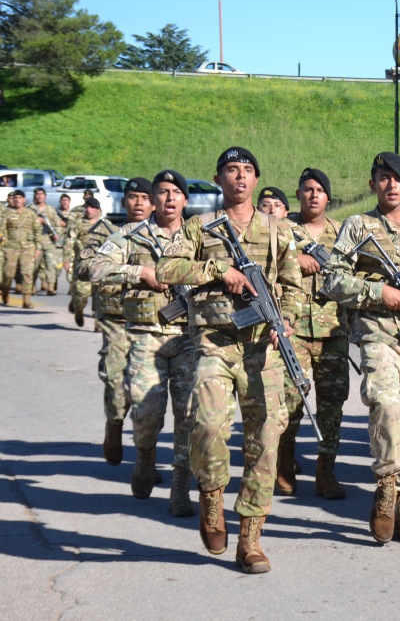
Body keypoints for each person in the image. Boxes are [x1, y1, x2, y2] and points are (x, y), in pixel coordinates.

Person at [156, 147, 304, 574]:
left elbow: (293, 284)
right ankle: (211, 496)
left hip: (264, 348)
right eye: (231, 170)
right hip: (214, 344)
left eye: (247, 171)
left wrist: (288, 320)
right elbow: (168, 269)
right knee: (205, 425)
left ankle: (251, 539)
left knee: (265, 444)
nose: (240, 177)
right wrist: (218, 271)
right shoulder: (199, 227)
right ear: (218, 179)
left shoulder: (278, 229)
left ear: (257, 180)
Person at [320, 151, 400, 545]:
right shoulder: (358, 226)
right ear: (372, 183)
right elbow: (331, 279)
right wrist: (381, 292)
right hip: (378, 335)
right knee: (385, 406)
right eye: (382, 177)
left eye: (397, 178)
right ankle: (386, 487)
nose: (390, 184)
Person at [89, 171, 197, 517]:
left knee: (188, 414)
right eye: (162, 192)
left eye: (175, 193)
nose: (169, 198)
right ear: (153, 199)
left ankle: (181, 486)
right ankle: (145, 458)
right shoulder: (131, 235)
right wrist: (140, 274)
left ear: (185, 200)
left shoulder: (201, 234)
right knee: (148, 412)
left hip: (189, 338)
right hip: (145, 335)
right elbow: (95, 267)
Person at [277, 168, 352, 500]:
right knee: (290, 400)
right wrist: (297, 258)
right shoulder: (282, 230)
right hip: (292, 328)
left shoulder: (343, 233)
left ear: (328, 196)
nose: (313, 195)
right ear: (298, 194)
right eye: (307, 189)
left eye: (320, 189)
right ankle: (284, 462)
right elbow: (265, 266)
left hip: (333, 329)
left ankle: (326, 470)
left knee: (332, 403)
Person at [77, 179, 154, 468]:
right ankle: (115, 423)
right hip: (116, 318)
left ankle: (146, 456)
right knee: (116, 380)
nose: (138, 203)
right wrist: (131, 272)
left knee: (148, 391)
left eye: (144, 198)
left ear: (154, 202)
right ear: (123, 203)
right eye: (133, 197)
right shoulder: (104, 233)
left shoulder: (165, 235)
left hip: (152, 319)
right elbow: (85, 268)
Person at [1, 190, 42, 308]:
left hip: (27, 248)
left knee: (27, 273)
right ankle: (5, 291)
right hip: (10, 247)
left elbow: (37, 231)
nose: (17, 200)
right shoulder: (7, 213)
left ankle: (26, 300)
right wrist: (2, 237)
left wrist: (38, 247)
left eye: (20, 198)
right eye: (15, 198)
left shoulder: (30, 214)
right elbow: (2, 228)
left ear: (24, 200)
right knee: (8, 274)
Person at [68, 198, 102, 326]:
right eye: (86, 207)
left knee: (99, 296)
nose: (88, 210)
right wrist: (67, 260)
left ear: (98, 210)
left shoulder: (105, 225)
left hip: (100, 266)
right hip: (82, 265)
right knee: (81, 294)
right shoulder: (77, 223)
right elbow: (69, 242)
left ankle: (98, 323)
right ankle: (78, 310)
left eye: (92, 207)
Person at [29, 188, 61, 296]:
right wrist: (36, 220)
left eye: (41, 194)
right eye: (37, 194)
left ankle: (50, 287)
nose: (39, 196)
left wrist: (57, 234)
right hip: (34, 241)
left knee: (50, 264)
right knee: (33, 265)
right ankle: (31, 287)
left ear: (45, 196)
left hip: (48, 240)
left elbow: (57, 224)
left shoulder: (50, 210)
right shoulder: (30, 209)